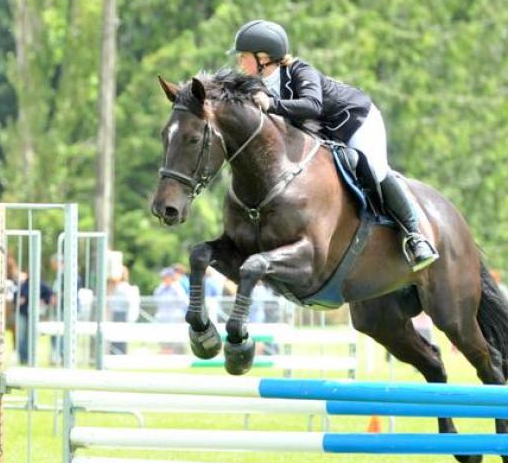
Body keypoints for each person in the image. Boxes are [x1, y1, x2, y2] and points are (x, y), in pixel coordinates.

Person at [228, 19, 438, 271]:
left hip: (357, 121)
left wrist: (271, 104)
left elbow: (312, 106)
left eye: (244, 57)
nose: (240, 62)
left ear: (263, 57)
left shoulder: (299, 71)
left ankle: (415, 236)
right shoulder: (257, 85)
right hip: (326, 134)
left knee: (375, 168)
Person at [15, 272, 55, 365]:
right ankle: (23, 358)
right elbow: (15, 297)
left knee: (31, 336)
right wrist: (19, 300)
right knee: (21, 337)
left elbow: (50, 296)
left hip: (33, 315)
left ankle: (29, 357)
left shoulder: (41, 285)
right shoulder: (23, 285)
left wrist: (44, 301)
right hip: (22, 313)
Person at [153, 266, 189, 354]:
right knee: (162, 337)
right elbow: (155, 299)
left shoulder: (177, 287)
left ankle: (175, 352)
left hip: (174, 317)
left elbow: (184, 302)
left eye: (166, 277)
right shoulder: (161, 288)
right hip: (163, 317)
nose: (164, 279)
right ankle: (165, 351)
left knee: (175, 338)